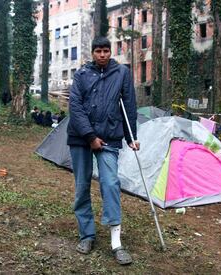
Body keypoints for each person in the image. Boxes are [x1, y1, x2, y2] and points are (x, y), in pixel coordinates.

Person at [67, 36, 139, 265]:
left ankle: (116, 243)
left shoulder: (122, 73)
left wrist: (131, 137)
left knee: (110, 183)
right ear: (92, 53)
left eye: (106, 51)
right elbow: (75, 106)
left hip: (109, 136)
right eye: (98, 51)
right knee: (82, 186)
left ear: (110, 51)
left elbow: (129, 105)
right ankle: (87, 235)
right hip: (80, 137)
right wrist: (89, 136)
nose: (102, 55)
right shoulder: (81, 75)